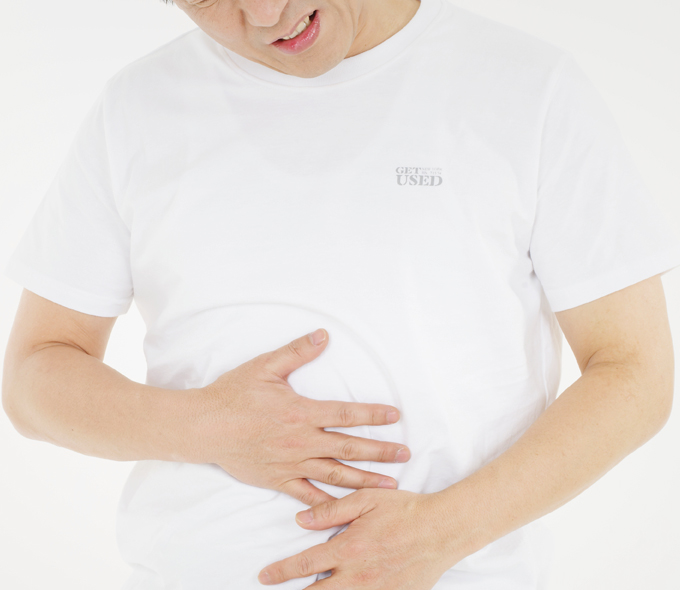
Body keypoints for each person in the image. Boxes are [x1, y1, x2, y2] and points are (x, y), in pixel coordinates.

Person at [2, 0, 680, 588]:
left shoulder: (527, 87)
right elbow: (35, 376)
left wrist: (440, 533)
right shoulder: (137, 107)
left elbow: (635, 370)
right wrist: (210, 426)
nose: (265, 15)